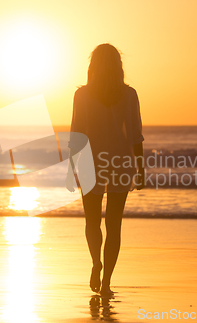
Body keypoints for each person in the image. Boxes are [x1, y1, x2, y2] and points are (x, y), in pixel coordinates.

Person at [66, 43, 145, 297]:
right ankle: (107, 282)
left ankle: (96, 263)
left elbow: (77, 134)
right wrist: (140, 169)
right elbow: (136, 136)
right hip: (121, 162)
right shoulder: (129, 94)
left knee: (92, 222)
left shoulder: (83, 95)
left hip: (90, 162)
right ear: (118, 65)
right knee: (114, 224)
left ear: (93, 65)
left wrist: (71, 168)